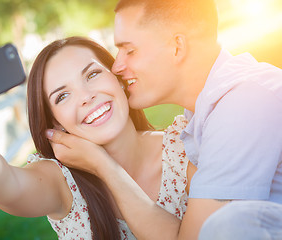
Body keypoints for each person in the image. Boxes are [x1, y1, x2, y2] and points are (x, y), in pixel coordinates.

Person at [46, 0, 282, 239]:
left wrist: (104, 165)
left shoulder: (242, 106)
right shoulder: (208, 109)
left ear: (177, 47)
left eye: (130, 50)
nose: (116, 66)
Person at [0, 36, 196, 239]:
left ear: (119, 78)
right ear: (55, 122)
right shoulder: (63, 182)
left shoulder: (184, 147)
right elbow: (7, 183)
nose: (86, 97)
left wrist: (105, 166)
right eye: (62, 96)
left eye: (92, 74)